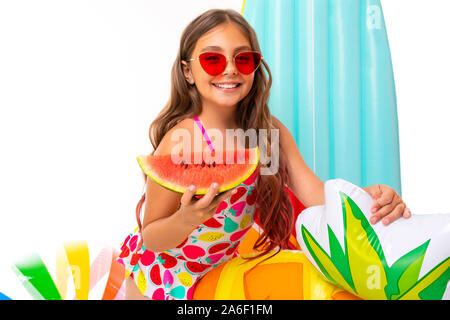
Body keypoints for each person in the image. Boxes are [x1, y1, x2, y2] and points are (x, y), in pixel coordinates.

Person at [117, 8, 411, 300]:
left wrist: (367, 198)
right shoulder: (182, 141)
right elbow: (152, 237)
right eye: (213, 59)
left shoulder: (266, 134)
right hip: (160, 278)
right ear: (187, 71)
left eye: (242, 59)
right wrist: (187, 218)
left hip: (218, 274)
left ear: (255, 68)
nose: (230, 68)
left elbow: (317, 195)